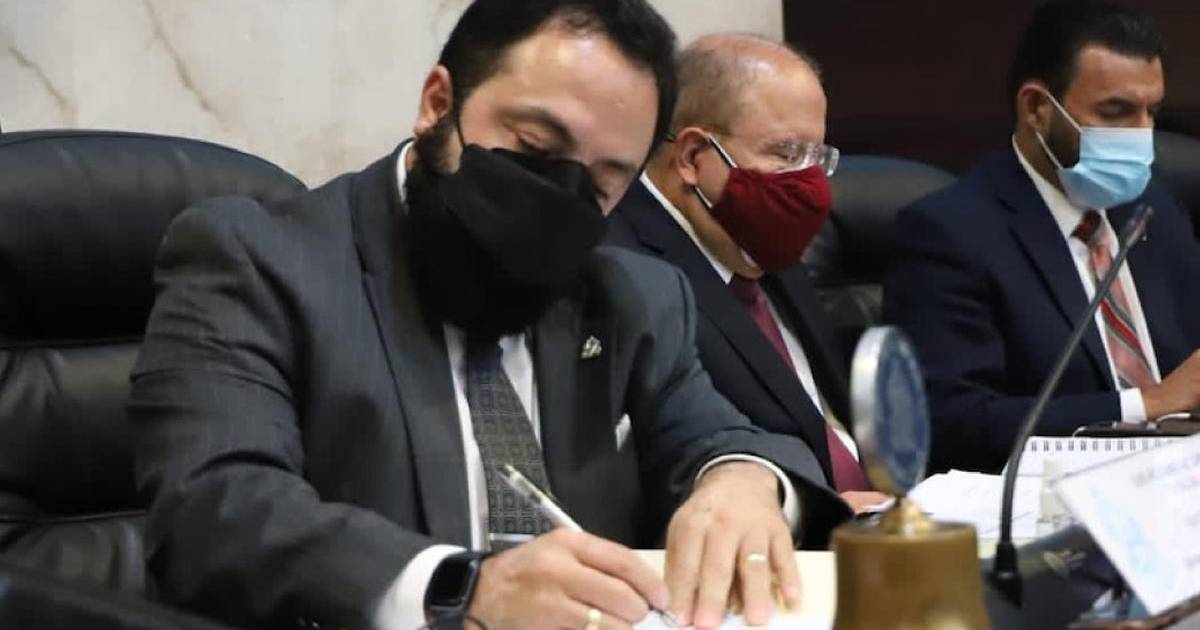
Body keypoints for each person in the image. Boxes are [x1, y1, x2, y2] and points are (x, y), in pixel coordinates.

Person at [129, 2, 852, 630]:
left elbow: (729, 437)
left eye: (605, 181)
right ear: (438, 103)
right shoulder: (259, 260)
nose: (562, 196)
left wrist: (744, 481)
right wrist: (463, 589)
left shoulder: (630, 293)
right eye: (535, 148)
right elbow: (212, 511)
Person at [884, 0, 1200, 473]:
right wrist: (1146, 404)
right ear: (1036, 108)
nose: (1143, 135)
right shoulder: (949, 233)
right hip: (1055, 494)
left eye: (1150, 111)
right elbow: (950, 424)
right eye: (1116, 112)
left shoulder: (1155, 209)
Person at [607, 34, 890, 513]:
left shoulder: (762, 239)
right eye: (787, 153)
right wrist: (825, 511)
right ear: (693, 157)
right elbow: (658, 477)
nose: (811, 184)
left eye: (818, 157)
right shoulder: (625, 272)